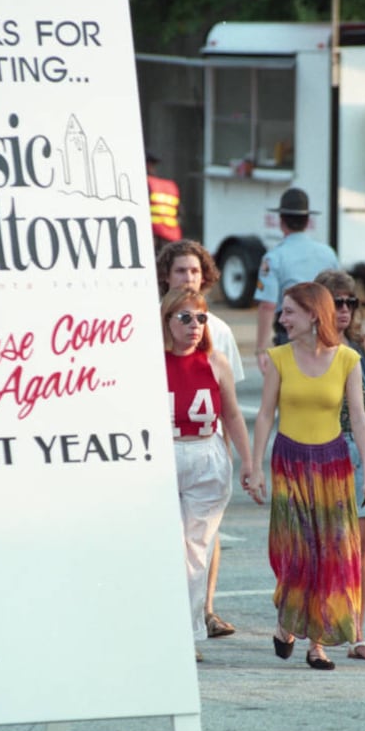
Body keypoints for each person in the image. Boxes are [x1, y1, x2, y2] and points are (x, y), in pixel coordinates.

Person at [248, 281, 365, 671]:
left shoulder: (347, 360)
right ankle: (287, 623)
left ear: (312, 315)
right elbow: (265, 414)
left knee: (330, 553)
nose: (282, 318)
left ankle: (316, 644)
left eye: (289, 311)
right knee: (297, 551)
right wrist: (254, 467)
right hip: (289, 461)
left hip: (332, 464)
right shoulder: (279, 358)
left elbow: (358, 416)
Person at [157, 239, 244, 638]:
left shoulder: (216, 353)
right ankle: (167, 623)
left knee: (196, 549)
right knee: (169, 545)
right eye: (185, 319)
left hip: (205, 450)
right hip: (164, 451)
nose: (195, 326)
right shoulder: (150, 356)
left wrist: (248, 464)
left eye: (200, 319)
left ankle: (191, 628)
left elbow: (231, 413)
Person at [316, 269, 365, 661]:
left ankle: (357, 633)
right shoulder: (306, 347)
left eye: (350, 302)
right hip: (321, 452)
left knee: (357, 548)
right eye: (336, 302)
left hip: (357, 453)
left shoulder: (361, 348)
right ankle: (321, 626)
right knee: (324, 545)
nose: (344, 309)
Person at [254, 188, 339, 374]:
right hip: (327, 333)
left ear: (281, 221)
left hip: (291, 334)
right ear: (308, 221)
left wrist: (261, 348)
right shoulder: (328, 253)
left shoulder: (274, 257)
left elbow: (267, 305)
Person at [146, 150, 182, 253]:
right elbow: (179, 215)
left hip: (153, 239)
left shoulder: (145, 184)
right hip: (171, 239)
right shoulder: (170, 186)